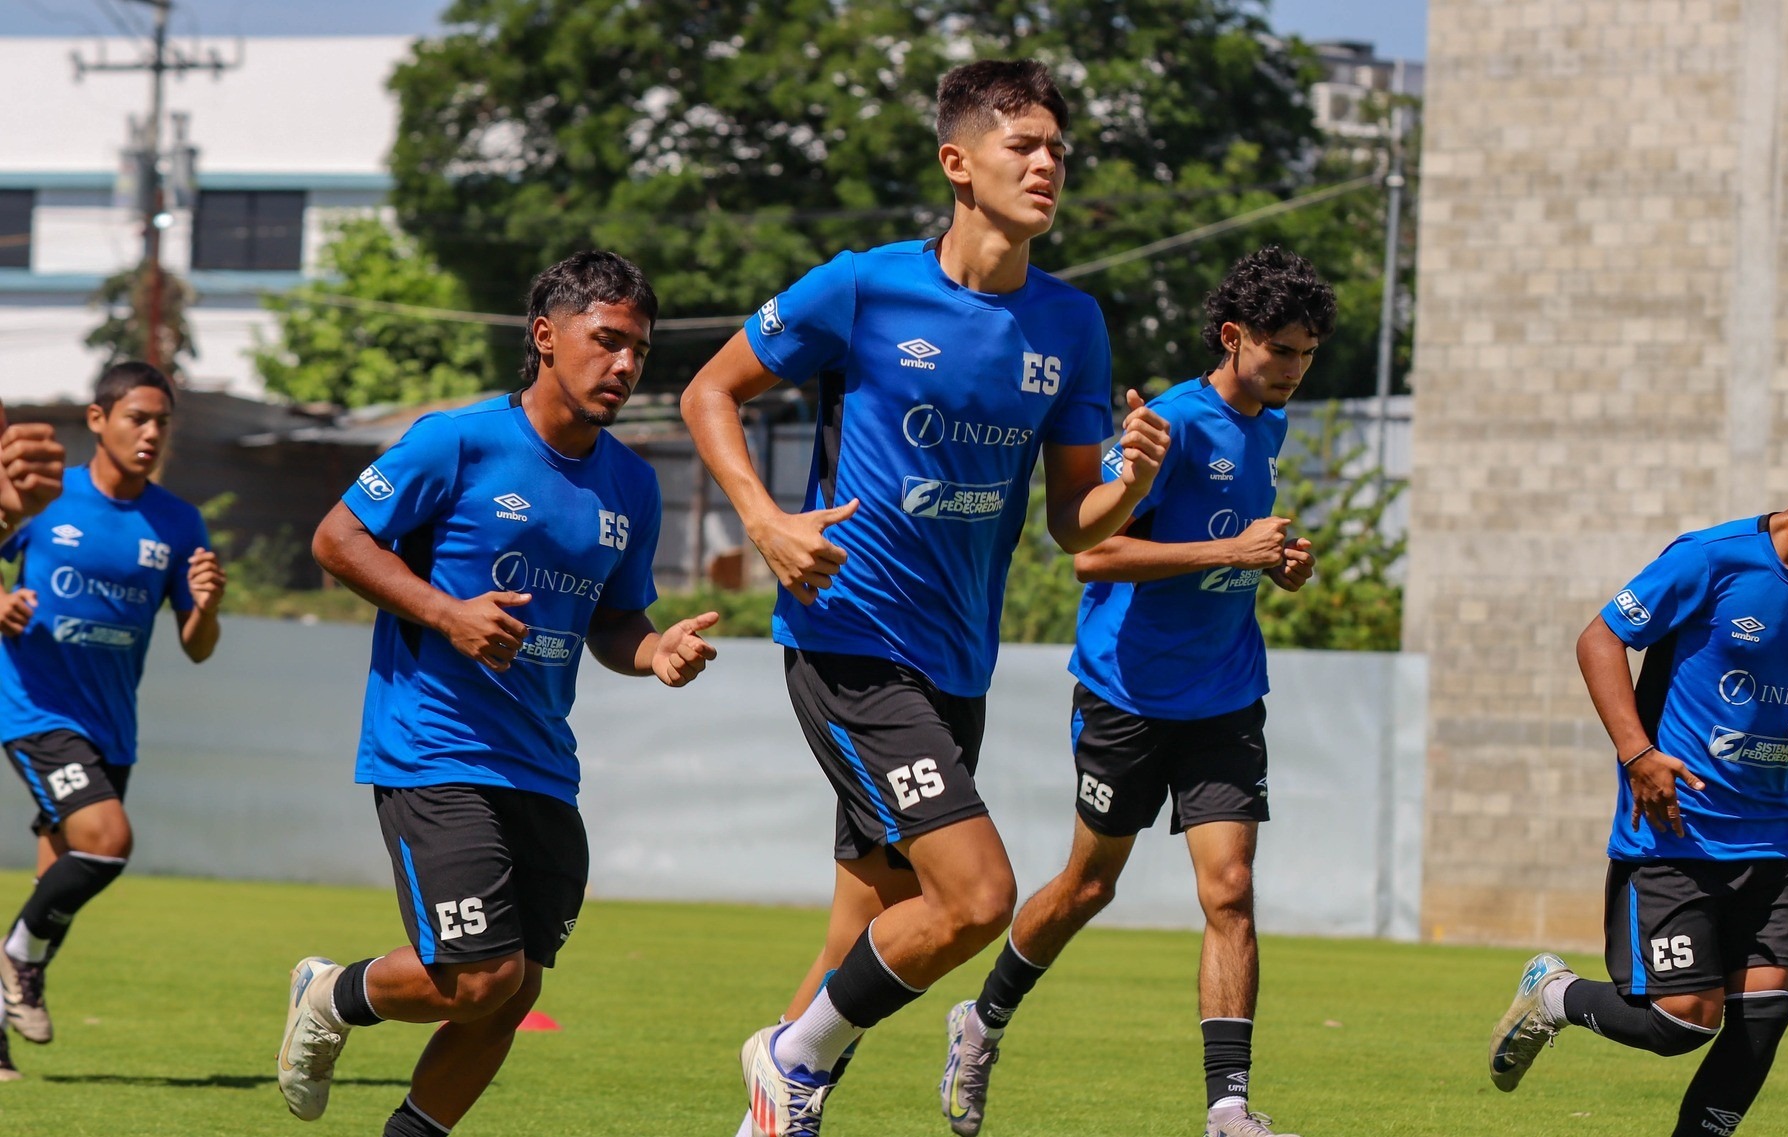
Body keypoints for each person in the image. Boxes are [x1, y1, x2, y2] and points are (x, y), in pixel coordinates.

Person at [679, 58, 1170, 1137]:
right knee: (976, 898)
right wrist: (762, 520)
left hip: (958, 664)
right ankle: (787, 1057)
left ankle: (772, 1112)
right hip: (850, 640)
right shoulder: (860, 286)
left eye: (1055, 150)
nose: (1045, 165)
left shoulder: (1070, 324)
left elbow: (1070, 522)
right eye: (1020, 146)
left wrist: (1127, 482)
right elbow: (707, 389)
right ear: (957, 164)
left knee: (875, 920)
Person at [276, 252, 718, 1136]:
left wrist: (657, 648)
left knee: (511, 992)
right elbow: (336, 538)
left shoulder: (631, 483)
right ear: (546, 337)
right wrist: (446, 613)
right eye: (608, 341)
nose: (626, 366)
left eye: (639, 348)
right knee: (480, 974)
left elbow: (615, 621)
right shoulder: (460, 441)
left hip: (543, 767)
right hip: (433, 747)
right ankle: (329, 993)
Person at [938, 247, 1334, 1137]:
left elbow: (1239, 542)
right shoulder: (1171, 424)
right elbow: (1091, 552)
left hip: (1227, 693)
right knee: (1087, 887)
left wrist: (1283, 564)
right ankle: (983, 1018)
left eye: (1308, 353)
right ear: (1233, 338)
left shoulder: (1268, 422)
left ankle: (1228, 1106)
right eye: (1281, 349)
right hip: (1128, 695)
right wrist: (1231, 552)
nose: (1295, 369)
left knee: (1229, 888)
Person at [1487, 415, 1788, 1136]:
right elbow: (1599, 637)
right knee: (1681, 1021)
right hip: (1674, 834)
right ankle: (1556, 996)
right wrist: (1638, 755)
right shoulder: (1712, 559)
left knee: (1765, 1014)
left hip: (1773, 837)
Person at [0, 363, 221, 1081]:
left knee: (54, 888)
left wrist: (207, 607)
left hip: (110, 728)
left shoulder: (178, 522)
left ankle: (2, 1022)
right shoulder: (45, 497)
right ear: (98, 420)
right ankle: (12, 959)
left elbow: (197, 646)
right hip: (35, 706)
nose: (151, 433)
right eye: (137, 417)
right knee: (107, 840)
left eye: (162, 421)